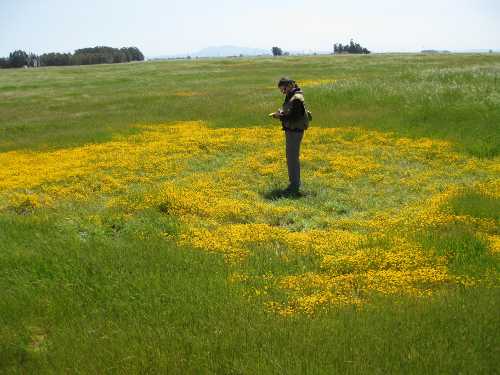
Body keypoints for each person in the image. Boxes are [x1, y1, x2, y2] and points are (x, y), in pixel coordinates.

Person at [270, 77, 309, 195]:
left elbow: (295, 117)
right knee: (291, 158)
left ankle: (294, 186)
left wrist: (280, 117)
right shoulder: (291, 94)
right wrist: (281, 113)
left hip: (295, 131)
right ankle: (294, 184)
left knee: (292, 159)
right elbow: (291, 112)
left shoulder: (296, 98)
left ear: (291, 85)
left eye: (284, 89)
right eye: (282, 91)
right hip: (292, 130)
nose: (284, 92)